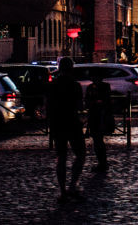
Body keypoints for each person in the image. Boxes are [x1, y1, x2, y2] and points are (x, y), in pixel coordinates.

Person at [47, 57, 86, 203]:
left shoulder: (52, 85)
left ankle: (63, 191)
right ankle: (72, 186)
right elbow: (79, 106)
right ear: (71, 68)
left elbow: (48, 105)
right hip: (72, 122)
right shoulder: (74, 85)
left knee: (61, 157)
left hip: (57, 123)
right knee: (80, 154)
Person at [85, 71, 113, 173]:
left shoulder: (104, 87)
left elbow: (106, 101)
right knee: (97, 141)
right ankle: (102, 162)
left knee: (98, 141)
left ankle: (103, 163)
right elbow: (87, 101)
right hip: (94, 115)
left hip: (101, 116)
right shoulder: (90, 87)